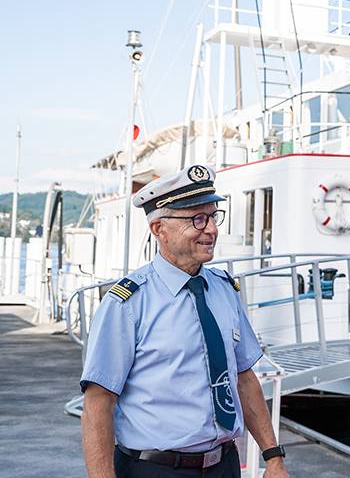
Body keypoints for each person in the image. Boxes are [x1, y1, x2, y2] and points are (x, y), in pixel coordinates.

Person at [80, 165, 289, 478]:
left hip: (224, 466)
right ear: (158, 229)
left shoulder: (223, 289)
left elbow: (244, 378)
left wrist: (273, 458)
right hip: (154, 469)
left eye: (213, 216)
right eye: (197, 219)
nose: (211, 229)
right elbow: (98, 404)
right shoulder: (128, 303)